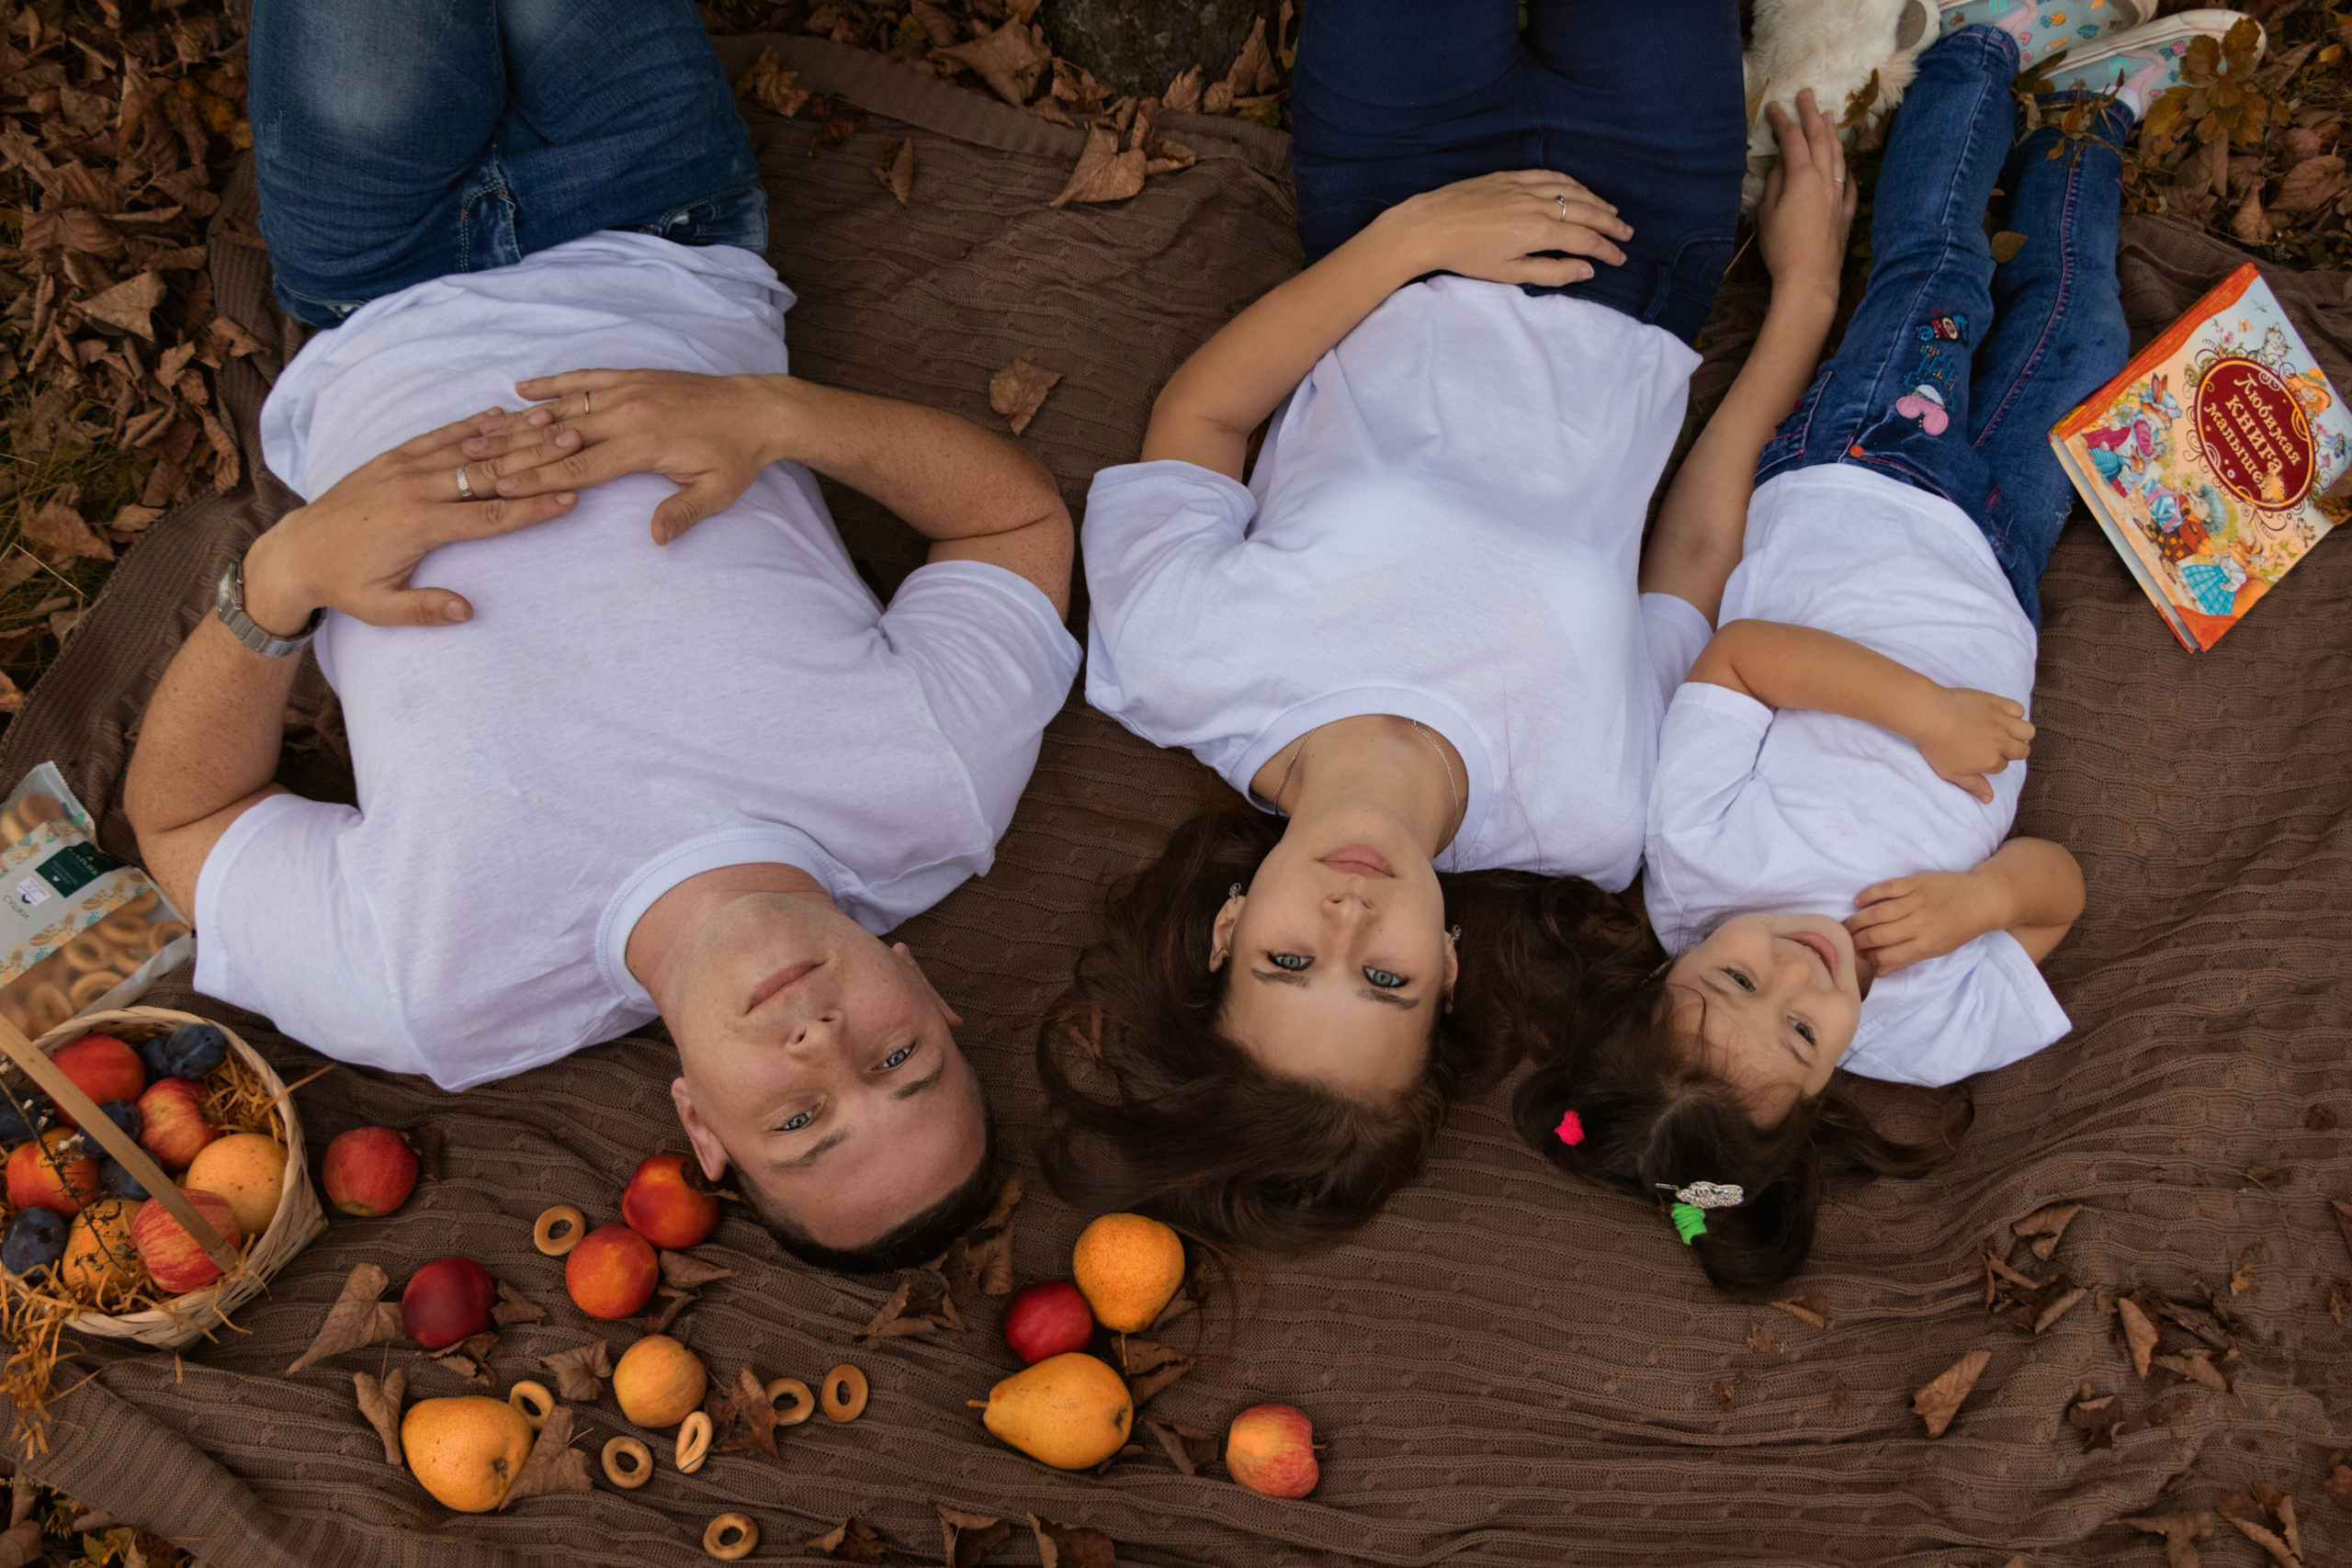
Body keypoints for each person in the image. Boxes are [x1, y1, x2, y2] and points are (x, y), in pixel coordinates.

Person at [120, 0, 1079, 1273]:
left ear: (701, 1125)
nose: (827, 1050)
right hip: (657, 222)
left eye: (801, 1120)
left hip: (376, 296)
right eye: (900, 1061)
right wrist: (775, 416)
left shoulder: (435, 993)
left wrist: (283, 577)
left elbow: (184, 823)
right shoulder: (936, 789)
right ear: (939, 1003)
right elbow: (1014, 528)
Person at [1515, 7, 2257, 1290]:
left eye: (1732, 979)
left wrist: (1917, 713)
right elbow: (2057, 892)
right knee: (2076, 334)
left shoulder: (1695, 853)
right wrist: (1980, 903)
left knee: (1936, 274)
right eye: (1802, 1032)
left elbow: (1742, 655)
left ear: (1670, 966)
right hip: (2000, 566)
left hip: (1859, 482)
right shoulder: (1924, 1031)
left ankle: (1975, 56)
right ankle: (2092, 124)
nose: (1792, 976)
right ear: (1823, 1098)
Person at [1035, 0, 1752, 1253]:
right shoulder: (1597, 811)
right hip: (1638, 246)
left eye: (1287, 963)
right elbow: (1688, 558)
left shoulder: (1172, 672)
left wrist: (1414, 236)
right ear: (1451, 975)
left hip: (1393, 191)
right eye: (1385, 982)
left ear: (1226, 930)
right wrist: (1799, 302)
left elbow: (1202, 420)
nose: (1350, 926)